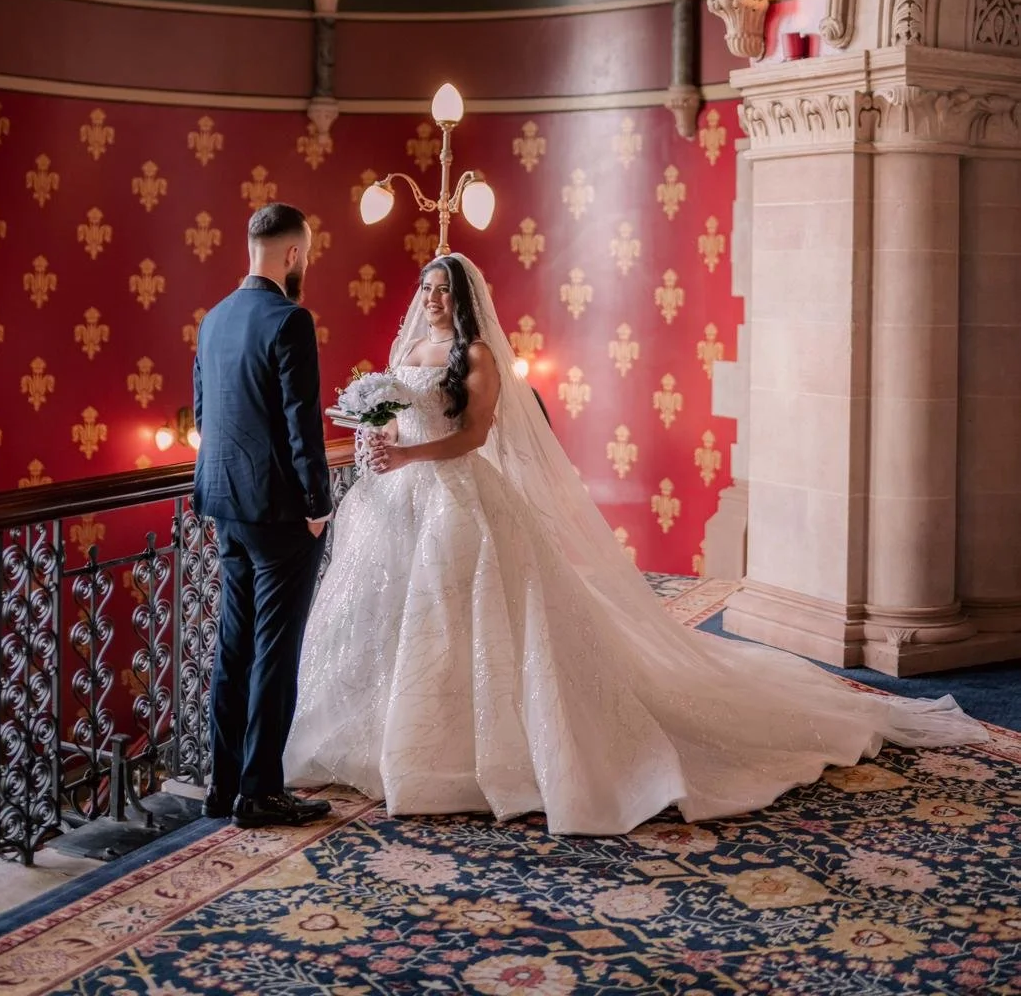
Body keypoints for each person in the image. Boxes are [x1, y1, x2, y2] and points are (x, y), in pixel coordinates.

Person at [284, 253, 988, 837]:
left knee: (460, 616)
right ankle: (383, 740)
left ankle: (458, 757)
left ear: (464, 299)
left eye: (444, 290)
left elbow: (472, 435)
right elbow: (392, 416)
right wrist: (378, 440)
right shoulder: (410, 350)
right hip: (398, 500)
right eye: (427, 289)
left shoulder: (476, 356)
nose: (433, 299)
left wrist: (409, 455)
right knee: (392, 614)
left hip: (455, 498)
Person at [193, 202, 333, 828]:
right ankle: (260, 791)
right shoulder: (290, 320)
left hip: (224, 504)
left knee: (234, 644)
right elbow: (303, 425)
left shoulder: (214, 318)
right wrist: (318, 505)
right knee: (275, 650)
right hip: (279, 513)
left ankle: (222, 786)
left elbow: (205, 417)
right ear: (294, 253)